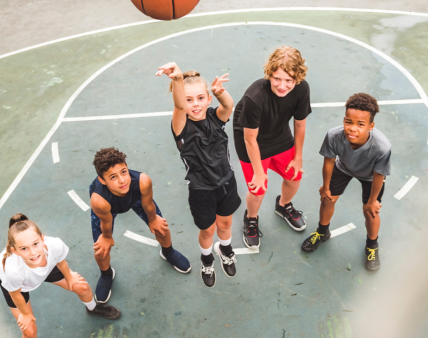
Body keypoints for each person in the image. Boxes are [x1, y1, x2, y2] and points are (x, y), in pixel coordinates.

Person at [156, 62, 241, 288]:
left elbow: (229, 105)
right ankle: (207, 259)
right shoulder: (181, 126)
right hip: (202, 190)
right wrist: (177, 80)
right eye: (189, 99)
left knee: (225, 223)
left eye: (200, 98)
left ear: (208, 99)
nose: (195, 104)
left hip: (227, 182)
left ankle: (225, 248)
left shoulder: (216, 117)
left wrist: (220, 93)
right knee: (208, 230)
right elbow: (178, 107)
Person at [301, 93, 391, 271]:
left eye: (360, 124)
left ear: (371, 126)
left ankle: (372, 245)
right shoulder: (334, 135)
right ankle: (322, 231)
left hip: (370, 176)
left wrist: (373, 201)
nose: (352, 128)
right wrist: (326, 188)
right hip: (344, 167)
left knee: (370, 212)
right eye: (349, 122)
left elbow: (379, 175)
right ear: (344, 120)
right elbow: (328, 162)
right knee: (327, 199)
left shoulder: (382, 147)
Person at [233, 46, 311, 248]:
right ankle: (251, 218)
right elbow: (250, 139)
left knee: (294, 177)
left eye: (289, 80)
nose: (282, 86)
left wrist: (298, 156)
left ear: (298, 78)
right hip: (250, 140)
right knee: (258, 190)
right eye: (277, 78)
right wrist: (259, 172)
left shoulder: (302, 89)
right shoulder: (255, 97)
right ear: (269, 74)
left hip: (279, 134)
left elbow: (300, 124)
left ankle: (283, 205)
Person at [90, 147, 191, 303]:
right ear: (102, 180)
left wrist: (153, 220)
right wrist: (107, 237)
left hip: (136, 197)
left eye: (124, 172)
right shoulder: (99, 200)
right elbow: (106, 221)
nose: (122, 180)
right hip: (109, 207)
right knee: (101, 250)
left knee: (161, 227)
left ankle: (168, 252)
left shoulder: (142, 181)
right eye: (113, 177)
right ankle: (106, 274)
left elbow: (148, 204)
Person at [0, 214, 120, 338]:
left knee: (82, 287)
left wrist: (70, 278)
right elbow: (15, 294)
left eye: (35, 244)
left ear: (43, 239)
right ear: (15, 251)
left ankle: (93, 308)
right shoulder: (12, 271)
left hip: (46, 267)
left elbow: (61, 262)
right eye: (24, 248)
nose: (33, 252)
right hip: (19, 285)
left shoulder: (54, 245)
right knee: (30, 331)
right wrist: (26, 315)